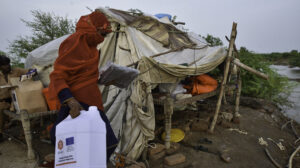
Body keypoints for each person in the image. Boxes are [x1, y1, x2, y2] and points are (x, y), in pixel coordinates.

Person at [48, 11, 118, 159]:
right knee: (104, 143)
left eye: (105, 36)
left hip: (92, 100)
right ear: (93, 28)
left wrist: (104, 79)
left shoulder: (91, 48)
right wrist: (70, 100)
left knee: (93, 144)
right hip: (78, 102)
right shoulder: (74, 42)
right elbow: (58, 75)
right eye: (102, 34)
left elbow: (83, 75)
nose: (102, 39)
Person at [0, 54, 27, 142]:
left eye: (8, 63)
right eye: (4, 65)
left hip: (18, 98)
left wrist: (22, 79)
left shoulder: (17, 71)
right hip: (4, 101)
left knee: (25, 108)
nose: (8, 66)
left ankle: (24, 134)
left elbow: (33, 72)